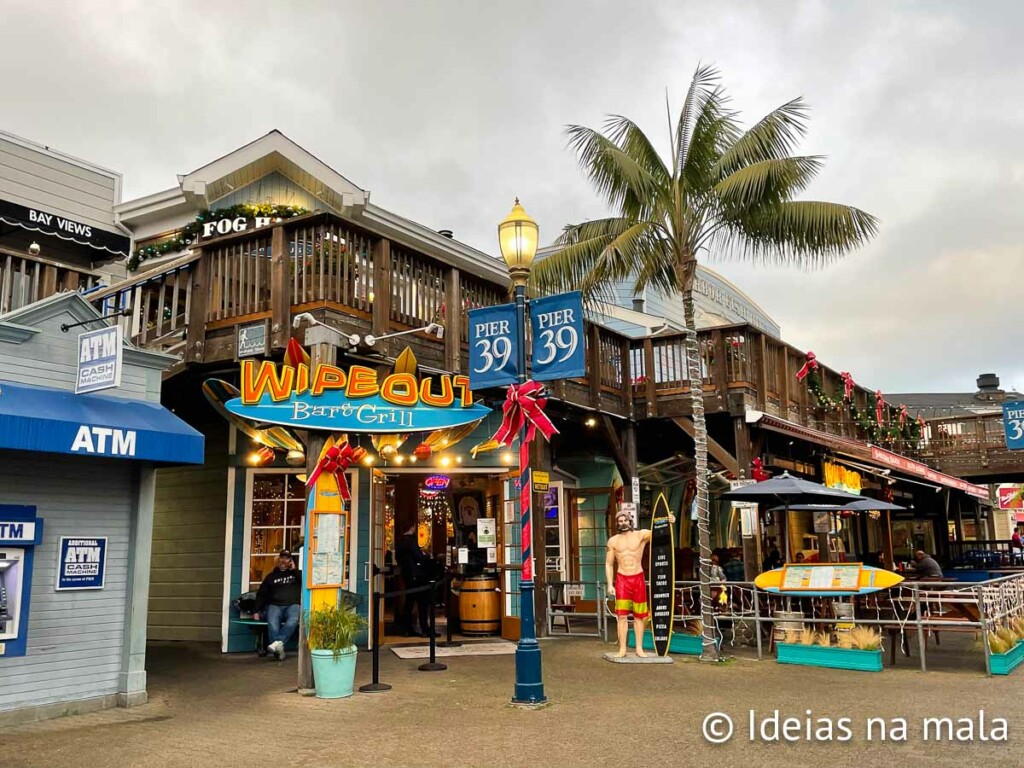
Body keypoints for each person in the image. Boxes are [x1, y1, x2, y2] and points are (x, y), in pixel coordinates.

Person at [605, 509, 675, 658]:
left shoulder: (641, 535)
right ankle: (622, 649)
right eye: (620, 521)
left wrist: (668, 520)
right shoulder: (613, 541)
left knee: (640, 616)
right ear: (617, 523)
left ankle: (639, 648)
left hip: (638, 578)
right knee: (622, 616)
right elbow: (609, 564)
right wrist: (610, 584)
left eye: (625, 520)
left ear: (630, 521)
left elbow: (658, 530)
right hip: (622, 579)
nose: (623, 523)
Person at [253, 550, 302, 661]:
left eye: (286, 558)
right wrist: (256, 610)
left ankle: (276, 644)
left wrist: (294, 570)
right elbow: (262, 594)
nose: (284, 560)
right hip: (275, 605)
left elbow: (305, 581)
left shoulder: (296, 575)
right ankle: (279, 650)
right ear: (278, 560)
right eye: (282, 558)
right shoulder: (271, 576)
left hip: (293, 605)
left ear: (290, 561)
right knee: (272, 623)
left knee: (293, 621)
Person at [396, 523, 433, 636]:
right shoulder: (410, 541)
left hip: (407, 574)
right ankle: (425, 629)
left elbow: (398, 558)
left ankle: (407, 628)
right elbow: (419, 556)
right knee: (423, 602)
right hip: (416, 575)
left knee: (409, 602)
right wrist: (428, 556)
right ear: (412, 528)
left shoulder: (400, 542)